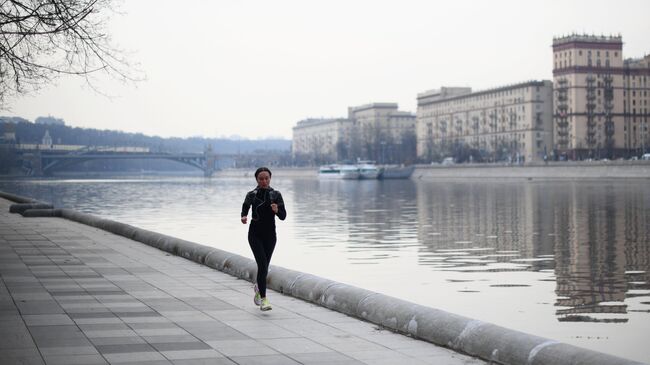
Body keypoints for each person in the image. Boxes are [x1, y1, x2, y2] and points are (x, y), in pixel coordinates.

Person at [240, 167, 286, 311]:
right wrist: (243, 216)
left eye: (266, 178)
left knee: (264, 267)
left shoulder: (276, 195)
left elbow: (284, 216)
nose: (264, 181)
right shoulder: (252, 195)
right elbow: (245, 206)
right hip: (255, 235)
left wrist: (277, 210)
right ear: (257, 180)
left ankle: (258, 288)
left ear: (270, 178)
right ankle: (264, 300)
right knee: (263, 265)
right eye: (261, 179)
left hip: (270, 236)